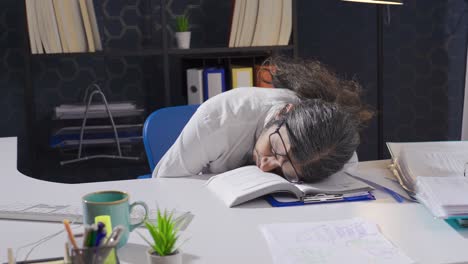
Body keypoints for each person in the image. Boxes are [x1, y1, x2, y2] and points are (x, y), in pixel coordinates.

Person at [153, 57, 373, 182]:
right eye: (275, 148)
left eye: (286, 172)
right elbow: (163, 184)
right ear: (283, 113)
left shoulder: (331, 145)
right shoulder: (220, 118)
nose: (267, 165)